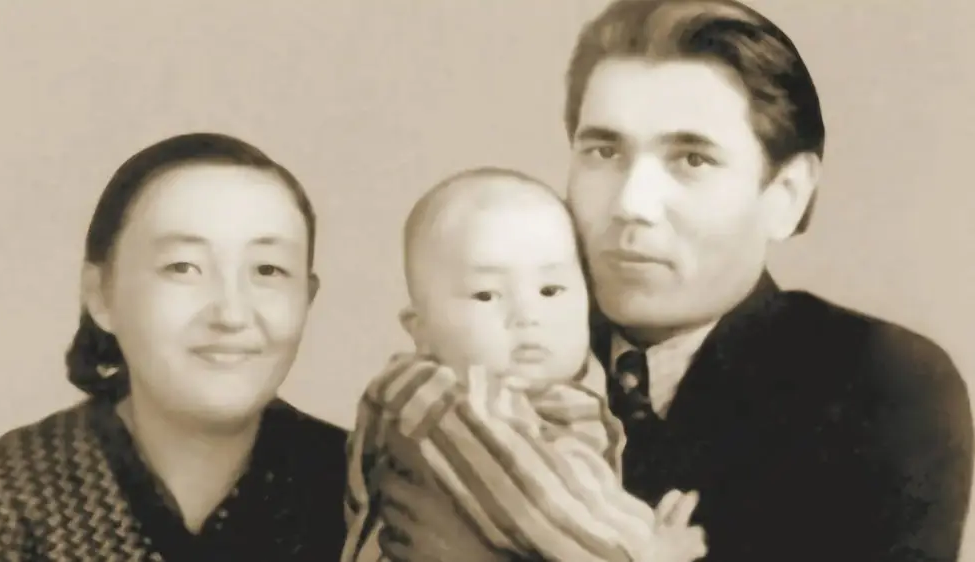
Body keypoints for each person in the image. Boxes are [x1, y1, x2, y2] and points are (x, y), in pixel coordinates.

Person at [373, 1, 975, 561]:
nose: (631, 204)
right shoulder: (495, 346)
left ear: (786, 196)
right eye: (603, 152)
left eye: (692, 159)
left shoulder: (877, 383)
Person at [0, 133, 348, 560]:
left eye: (268, 270)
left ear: (307, 298)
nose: (231, 314)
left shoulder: (370, 491)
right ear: (100, 294)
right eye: (183, 267)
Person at [342, 168, 707, 562]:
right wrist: (646, 548)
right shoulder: (432, 396)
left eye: (550, 290)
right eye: (485, 295)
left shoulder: (573, 403)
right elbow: (542, 504)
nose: (527, 315)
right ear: (421, 330)